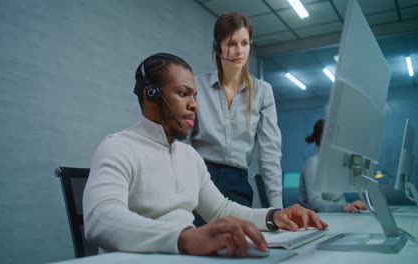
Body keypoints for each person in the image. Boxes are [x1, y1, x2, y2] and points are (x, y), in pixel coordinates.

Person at [83, 53, 328, 257]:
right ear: (152, 95)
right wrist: (185, 238)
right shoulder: (118, 147)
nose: (195, 105)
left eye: (195, 96)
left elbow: (220, 210)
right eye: (183, 93)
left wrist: (274, 215)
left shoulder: (189, 156)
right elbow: (101, 220)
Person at [189, 12, 283, 211]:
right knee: (202, 241)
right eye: (231, 44)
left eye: (245, 43)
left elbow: (270, 153)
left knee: (238, 242)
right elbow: (179, 142)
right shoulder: (196, 86)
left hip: (238, 183)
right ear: (218, 46)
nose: (239, 51)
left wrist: (277, 207)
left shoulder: (262, 91)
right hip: (200, 180)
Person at [298, 119, 367, 213]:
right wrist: (344, 207)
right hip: (314, 220)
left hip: (332, 218)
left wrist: (350, 207)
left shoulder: (333, 166)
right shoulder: (313, 163)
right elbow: (314, 203)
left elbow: (339, 198)